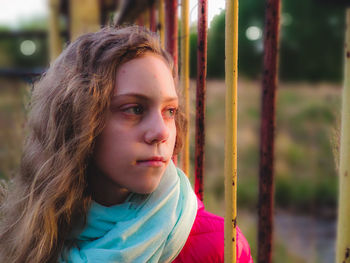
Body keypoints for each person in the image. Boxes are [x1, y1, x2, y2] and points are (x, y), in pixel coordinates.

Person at [0, 25, 253, 263]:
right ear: (78, 120)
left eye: (170, 111)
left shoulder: (221, 247)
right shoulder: (28, 232)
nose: (160, 132)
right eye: (134, 109)